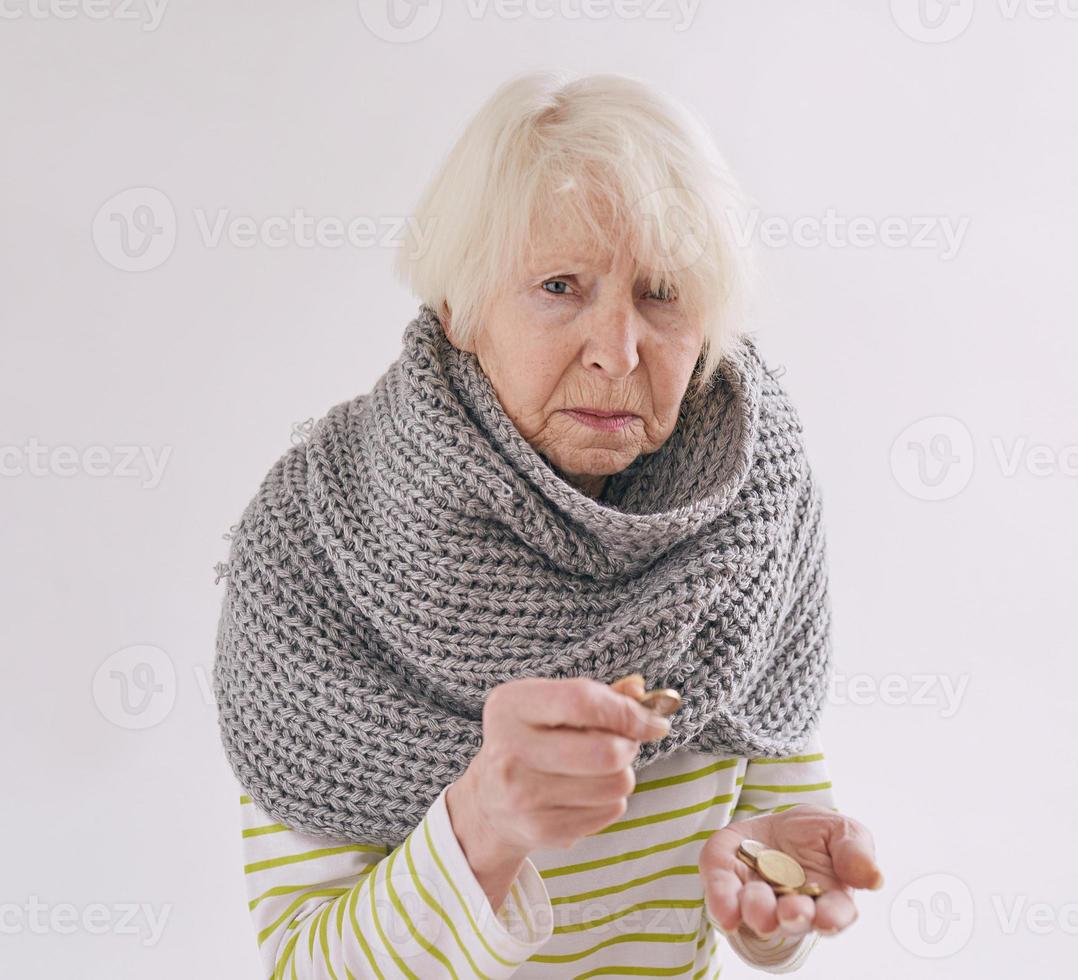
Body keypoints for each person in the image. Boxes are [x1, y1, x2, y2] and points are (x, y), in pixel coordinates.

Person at [213, 69, 881, 979]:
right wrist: (481, 826)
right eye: (559, 285)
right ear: (461, 308)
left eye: (662, 292)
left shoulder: (754, 502)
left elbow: (775, 831)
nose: (617, 348)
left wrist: (773, 910)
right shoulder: (315, 545)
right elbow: (303, 965)